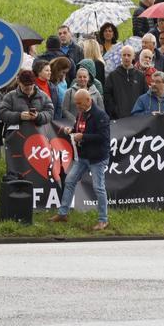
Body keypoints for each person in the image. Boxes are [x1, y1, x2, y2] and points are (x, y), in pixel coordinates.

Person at [48, 88, 111, 231]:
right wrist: (72, 131)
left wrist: (83, 137)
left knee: (98, 188)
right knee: (69, 181)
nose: (77, 106)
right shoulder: (81, 114)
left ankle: (103, 220)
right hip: (83, 157)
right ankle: (63, 213)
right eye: (76, 104)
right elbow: (79, 130)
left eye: (79, 103)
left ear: (89, 100)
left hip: (97, 158)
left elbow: (104, 138)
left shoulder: (101, 115)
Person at [0, 69, 54, 136]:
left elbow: (50, 113)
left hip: (38, 136)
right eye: (25, 86)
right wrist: (19, 116)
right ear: (19, 82)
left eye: (31, 85)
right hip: (15, 136)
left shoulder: (43, 96)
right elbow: (2, 113)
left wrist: (38, 116)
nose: (29, 88)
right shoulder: (10, 96)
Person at [104, 45, 145, 119]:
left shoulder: (140, 76)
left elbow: (144, 96)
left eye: (129, 55)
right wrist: (114, 111)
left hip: (136, 119)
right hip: (118, 119)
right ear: (121, 56)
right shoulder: (112, 76)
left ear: (133, 56)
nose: (126, 57)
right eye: (124, 55)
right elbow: (107, 97)